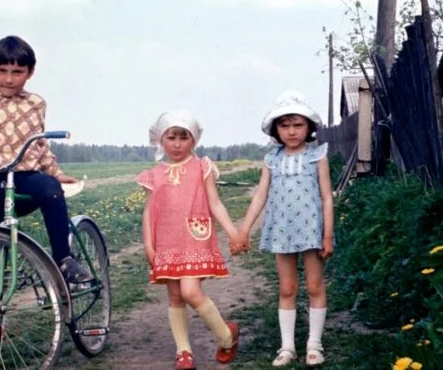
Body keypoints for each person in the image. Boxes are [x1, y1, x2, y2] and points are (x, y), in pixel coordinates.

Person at [0, 35, 90, 369]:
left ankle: (63, 259)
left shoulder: (36, 103)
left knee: (50, 188)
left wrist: (56, 172)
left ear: (30, 72)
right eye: (2, 71)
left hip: (25, 178)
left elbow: (39, 147)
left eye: (17, 72)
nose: (10, 79)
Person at [136, 109, 244, 370]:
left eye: (183, 138)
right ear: (161, 139)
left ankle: (226, 337)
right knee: (175, 296)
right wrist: (148, 244)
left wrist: (234, 233)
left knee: (190, 292)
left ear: (194, 140)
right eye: (171, 137)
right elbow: (149, 212)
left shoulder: (202, 167)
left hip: (194, 239)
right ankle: (183, 351)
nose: (177, 144)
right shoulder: (154, 174)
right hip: (166, 243)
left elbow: (215, 204)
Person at [238, 90, 334, 367]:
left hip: (312, 231)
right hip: (282, 231)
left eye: (298, 125)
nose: (291, 131)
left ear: (308, 127)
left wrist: (327, 234)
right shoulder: (271, 160)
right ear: (276, 130)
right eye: (285, 125)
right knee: (287, 288)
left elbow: (326, 197)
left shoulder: (318, 157)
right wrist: (244, 229)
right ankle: (287, 347)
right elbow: (260, 196)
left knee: (314, 285)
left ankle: (314, 345)